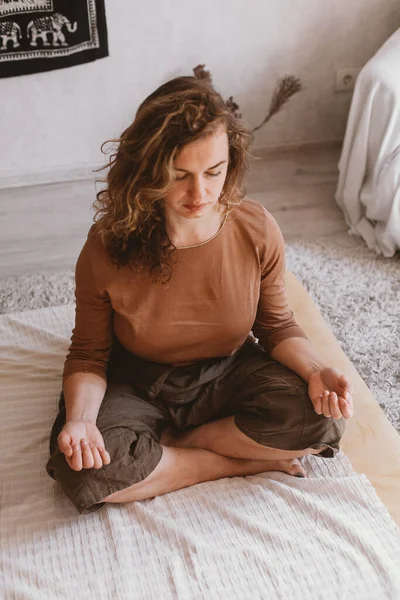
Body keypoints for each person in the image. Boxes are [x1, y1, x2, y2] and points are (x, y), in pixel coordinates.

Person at [46, 76, 354, 515]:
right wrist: (79, 420)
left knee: (322, 420)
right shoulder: (106, 247)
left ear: (232, 160)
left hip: (227, 369)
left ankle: (175, 447)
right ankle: (229, 462)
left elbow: (276, 326)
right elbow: (89, 354)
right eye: (180, 176)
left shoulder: (256, 228)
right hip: (135, 379)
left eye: (214, 171)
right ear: (149, 170)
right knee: (84, 469)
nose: (200, 194)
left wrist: (316, 369)